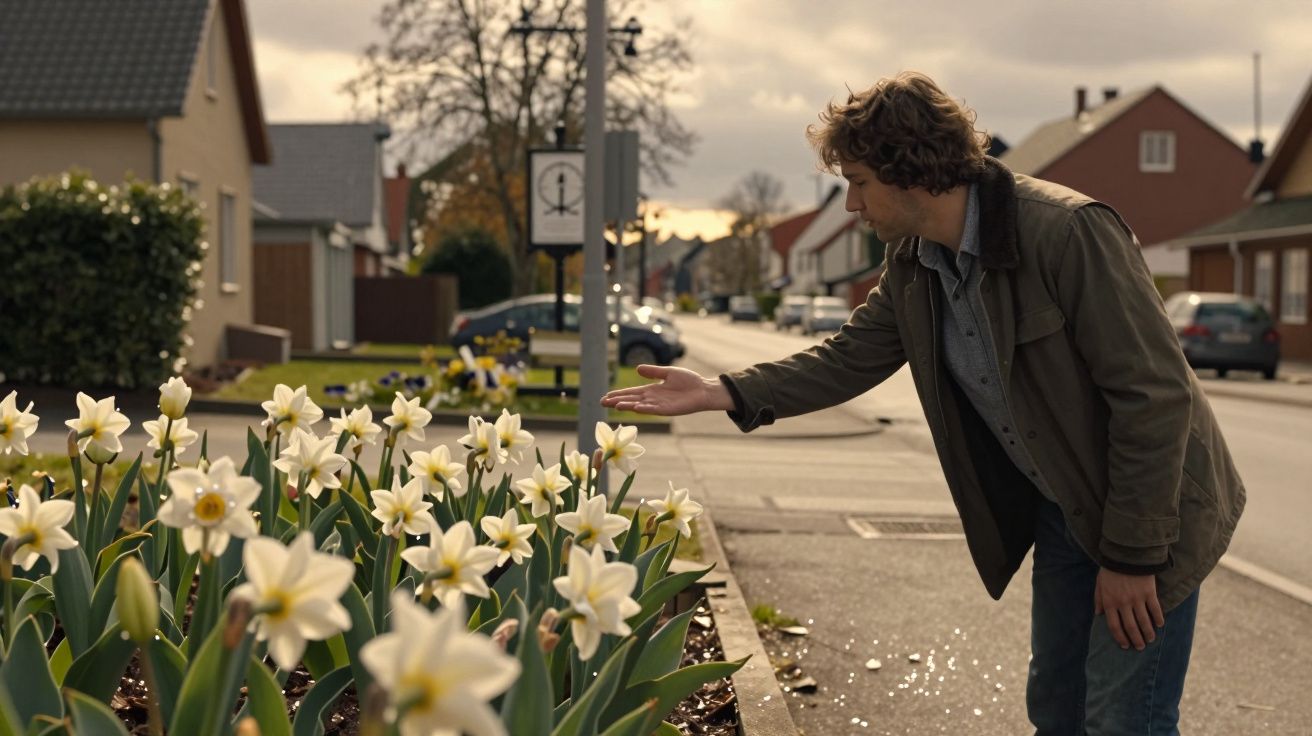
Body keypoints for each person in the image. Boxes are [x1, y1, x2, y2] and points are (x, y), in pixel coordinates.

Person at [601, 71, 1244, 735]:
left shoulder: (1067, 232)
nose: (851, 203)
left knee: (1123, 721)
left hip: (1152, 511)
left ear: (909, 170)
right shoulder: (916, 262)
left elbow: (1156, 397)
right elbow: (847, 357)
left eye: (858, 181)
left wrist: (1133, 558)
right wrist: (721, 391)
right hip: (1068, 509)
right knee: (1058, 710)